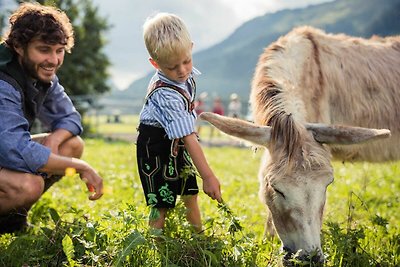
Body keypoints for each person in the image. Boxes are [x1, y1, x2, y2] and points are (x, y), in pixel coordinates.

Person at [0, 2, 104, 234]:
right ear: (19, 46)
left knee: (71, 145)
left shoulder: (40, 73)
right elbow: (15, 151)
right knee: (29, 186)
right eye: (44, 49)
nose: (54, 60)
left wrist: (54, 140)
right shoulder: (3, 82)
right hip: (6, 150)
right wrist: (80, 167)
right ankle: (10, 214)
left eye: (59, 51)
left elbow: (70, 118)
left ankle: (10, 219)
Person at [136, 12, 222, 233]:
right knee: (160, 203)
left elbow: (185, 134)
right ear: (155, 64)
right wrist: (209, 177)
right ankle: (156, 243)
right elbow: (188, 136)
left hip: (177, 143)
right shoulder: (165, 94)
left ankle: (199, 237)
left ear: (191, 48)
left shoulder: (186, 76)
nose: (182, 71)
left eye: (186, 61)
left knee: (189, 192)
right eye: (172, 67)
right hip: (155, 147)